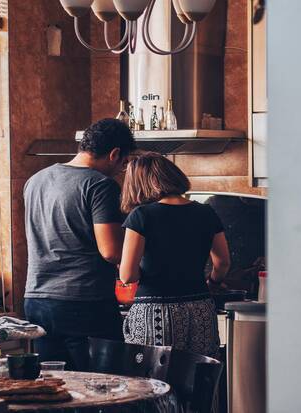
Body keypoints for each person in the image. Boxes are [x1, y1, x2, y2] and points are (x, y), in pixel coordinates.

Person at [23, 118, 135, 370]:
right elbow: (111, 251)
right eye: (124, 163)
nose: (121, 170)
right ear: (114, 154)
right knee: (106, 389)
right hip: (83, 302)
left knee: (57, 389)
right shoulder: (100, 185)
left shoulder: (36, 180)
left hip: (36, 299)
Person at [119, 153, 231, 358]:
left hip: (155, 313)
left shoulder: (141, 216)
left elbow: (127, 276)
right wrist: (213, 283)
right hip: (200, 308)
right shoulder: (206, 213)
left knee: (153, 383)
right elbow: (222, 262)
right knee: (199, 379)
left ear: (138, 183)